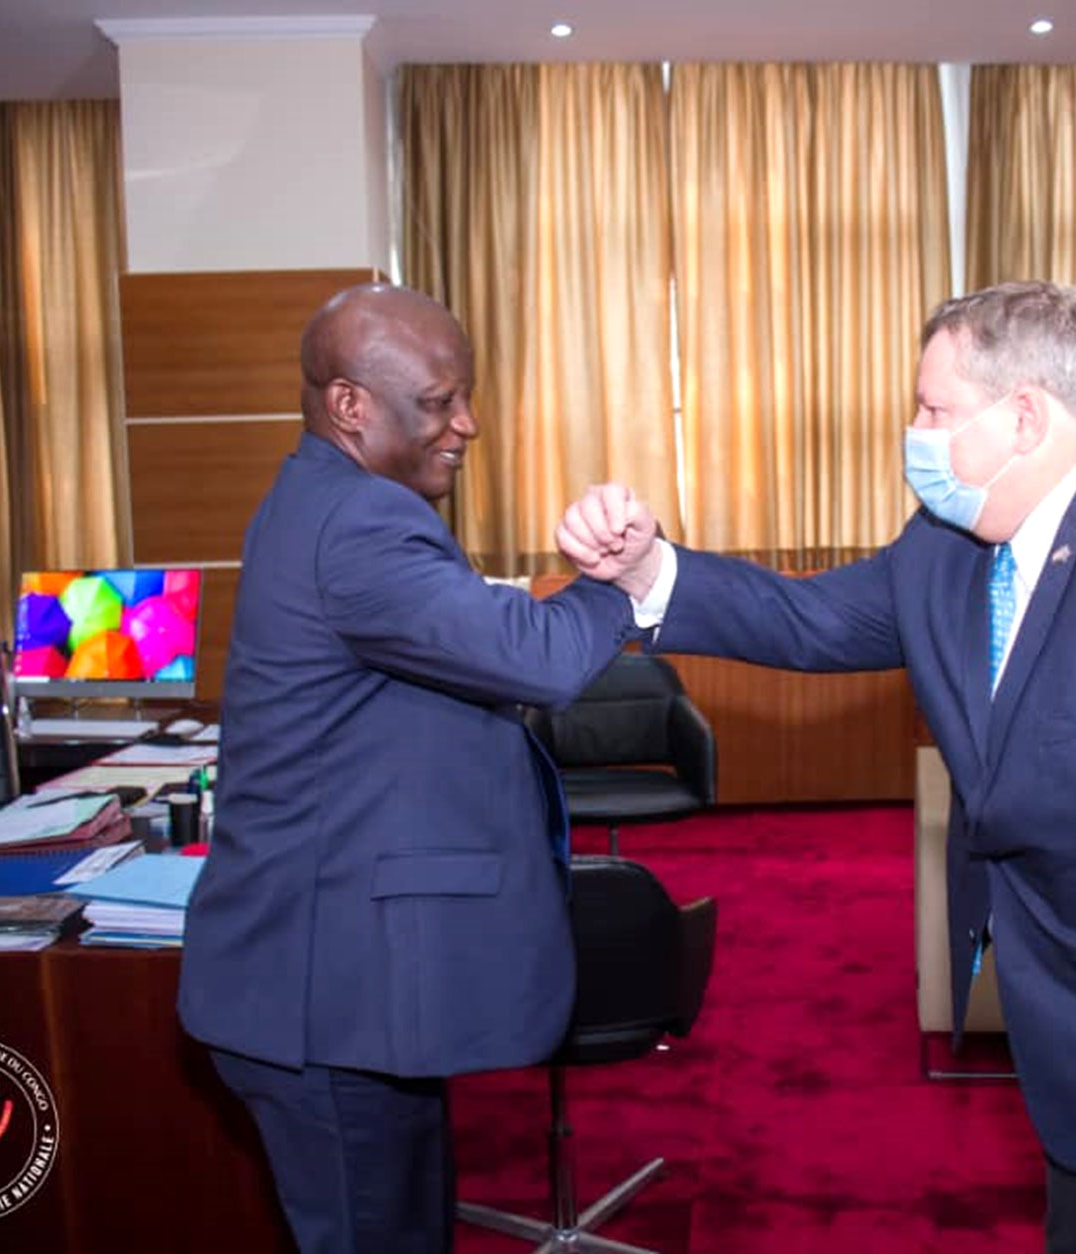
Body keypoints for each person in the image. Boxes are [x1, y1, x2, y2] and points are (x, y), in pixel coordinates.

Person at [560, 281, 1076, 1254]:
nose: (914, 434)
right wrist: (645, 571)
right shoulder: (950, 546)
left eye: (934, 410)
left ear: (1022, 418)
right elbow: (809, 618)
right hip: (1069, 1039)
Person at [178, 283, 650, 1253]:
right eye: (439, 401)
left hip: (347, 991)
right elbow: (539, 660)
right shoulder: (360, 521)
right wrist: (624, 578)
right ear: (350, 405)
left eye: (464, 396)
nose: (466, 423)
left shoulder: (321, 496)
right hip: (324, 1002)